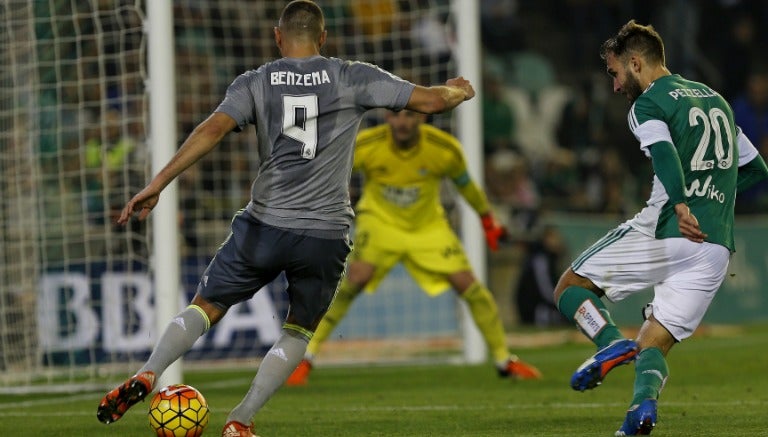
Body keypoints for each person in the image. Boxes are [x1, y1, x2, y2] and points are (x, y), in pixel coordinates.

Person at [95, 2, 475, 436]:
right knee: (297, 330)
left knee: (206, 307)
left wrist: (158, 183)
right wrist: (458, 90)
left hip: (264, 227)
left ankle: (149, 372)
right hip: (325, 235)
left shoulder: (254, 81)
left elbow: (211, 131)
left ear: (277, 37)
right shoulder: (352, 75)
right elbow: (429, 102)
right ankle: (240, 420)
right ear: (324, 37)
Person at [552, 20, 768, 436]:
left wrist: (684, 204)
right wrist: (713, 201)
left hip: (670, 227)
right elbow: (758, 169)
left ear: (635, 63)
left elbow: (665, 155)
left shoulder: (650, 103)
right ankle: (639, 415)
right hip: (715, 248)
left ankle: (609, 341)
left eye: (615, 74)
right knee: (655, 341)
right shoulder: (716, 100)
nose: (615, 86)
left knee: (570, 287)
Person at [285, 107, 542, 387]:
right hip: (380, 222)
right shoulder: (368, 144)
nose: (403, 122)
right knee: (356, 278)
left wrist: (487, 220)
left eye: (410, 115)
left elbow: (466, 185)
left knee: (469, 285)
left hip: (427, 226)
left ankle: (504, 360)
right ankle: (306, 357)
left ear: (422, 117)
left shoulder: (443, 149)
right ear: (387, 116)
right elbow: (327, 171)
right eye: (396, 115)